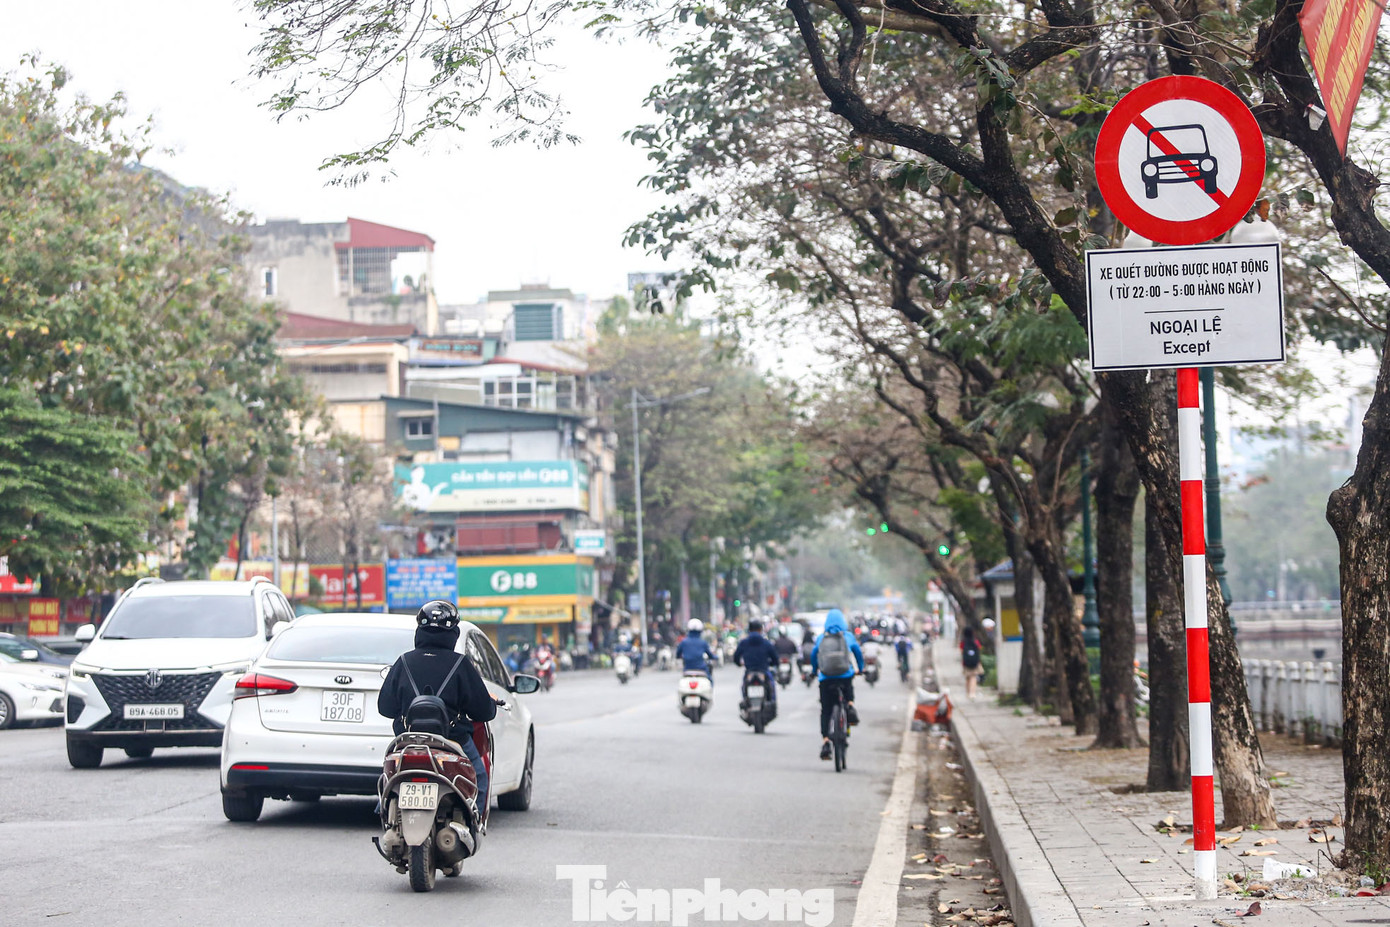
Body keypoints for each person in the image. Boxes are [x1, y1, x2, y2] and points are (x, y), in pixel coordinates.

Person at [378, 600, 498, 824]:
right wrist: (490, 704)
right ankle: (473, 826)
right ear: (453, 632)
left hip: (408, 741)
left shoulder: (403, 662)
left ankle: (384, 813)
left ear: (419, 631)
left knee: (390, 776)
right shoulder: (460, 664)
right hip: (453, 742)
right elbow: (483, 711)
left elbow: (385, 708)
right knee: (479, 778)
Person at [811, 609, 864, 760]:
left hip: (826, 678)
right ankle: (851, 706)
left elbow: (815, 654)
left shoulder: (821, 638)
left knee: (826, 711)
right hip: (845, 676)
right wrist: (861, 668)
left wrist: (815, 670)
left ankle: (826, 741)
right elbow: (858, 653)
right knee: (848, 690)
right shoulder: (848, 636)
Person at [733, 619, 780, 708]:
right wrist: (773, 664)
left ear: (749, 630)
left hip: (749, 671)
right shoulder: (766, 643)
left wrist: (739, 664)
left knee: (744, 686)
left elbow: (736, 657)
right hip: (763, 671)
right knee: (771, 685)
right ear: (760, 630)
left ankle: (745, 701)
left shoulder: (744, 642)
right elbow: (775, 658)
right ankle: (772, 704)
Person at [675, 618, 716, 682]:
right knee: (710, 680)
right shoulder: (703, 643)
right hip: (701, 669)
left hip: (687, 669)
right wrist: (715, 657)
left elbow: (677, 654)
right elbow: (710, 655)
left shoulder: (684, 642)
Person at [961, 626, 983, 700]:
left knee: (967, 678)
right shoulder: (975, 641)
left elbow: (961, 651)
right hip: (975, 662)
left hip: (966, 663)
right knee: (973, 677)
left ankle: (967, 693)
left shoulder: (963, 642)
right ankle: (972, 693)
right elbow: (979, 649)